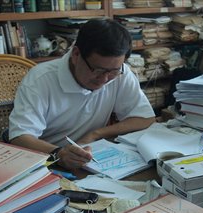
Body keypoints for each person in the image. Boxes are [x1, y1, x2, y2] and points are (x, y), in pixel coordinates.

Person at [9, 18, 156, 170]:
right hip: (47, 161)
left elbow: (144, 118)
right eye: (98, 70)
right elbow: (20, 136)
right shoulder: (40, 79)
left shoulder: (121, 73)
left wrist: (95, 134)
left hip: (90, 158)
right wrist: (59, 154)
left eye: (113, 72)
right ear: (76, 54)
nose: (105, 79)